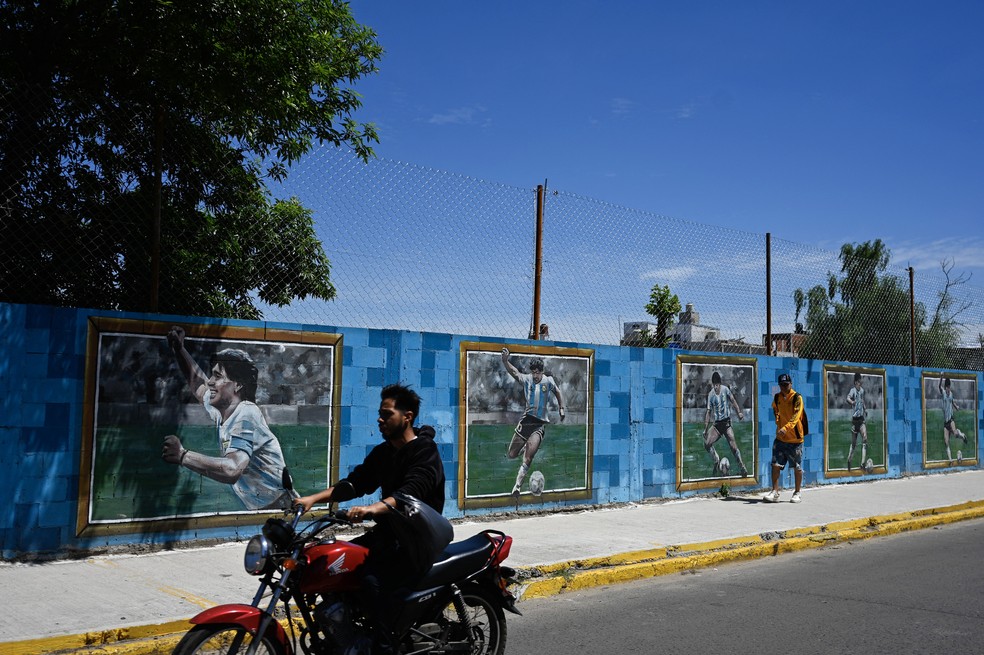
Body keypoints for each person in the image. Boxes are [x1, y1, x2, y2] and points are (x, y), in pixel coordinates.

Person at [294, 384, 445, 652]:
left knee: (371, 581)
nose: (380, 419)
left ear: (407, 417)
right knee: (337, 563)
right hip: (388, 536)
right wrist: (312, 500)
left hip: (415, 541)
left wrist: (372, 509)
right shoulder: (384, 452)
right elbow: (355, 483)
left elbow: (410, 492)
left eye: (386, 414)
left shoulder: (425, 451)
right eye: (380, 413)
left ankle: (384, 647)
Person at [161, 326, 295, 510]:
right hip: (264, 509)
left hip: (281, 509)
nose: (210, 381)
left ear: (238, 385)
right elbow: (198, 384)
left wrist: (184, 456)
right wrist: (180, 349)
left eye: (217, 376)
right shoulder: (223, 410)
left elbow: (233, 469)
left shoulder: (246, 413)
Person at [500, 347, 565, 498]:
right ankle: (523, 447)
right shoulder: (527, 379)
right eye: (533, 372)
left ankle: (517, 487)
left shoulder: (548, 381)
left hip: (539, 424)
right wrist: (505, 360)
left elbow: (558, 392)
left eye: (538, 372)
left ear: (542, 371)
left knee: (528, 458)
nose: (535, 375)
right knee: (511, 454)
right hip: (527, 420)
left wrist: (561, 408)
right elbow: (514, 372)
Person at [763, 373, 805, 504]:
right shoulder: (777, 397)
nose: (783, 387)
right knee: (775, 465)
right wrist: (778, 421)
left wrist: (785, 428)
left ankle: (797, 492)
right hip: (780, 439)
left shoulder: (797, 398)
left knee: (797, 467)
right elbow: (775, 409)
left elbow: (795, 417)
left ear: (791, 384)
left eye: (786, 384)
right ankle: (775, 492)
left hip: (795, 440)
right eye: (781, 385)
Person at [703, 371, 749, 477]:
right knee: (707, 443)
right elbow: (708, 412)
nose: (716, 387)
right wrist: (705, 429)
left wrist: (739, 413)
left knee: (733, 447)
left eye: (717, 385)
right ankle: (716, 460)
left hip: (726, 423)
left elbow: (733, 401)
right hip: (717, 425)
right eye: (714, 385)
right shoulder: (711, 395)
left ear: (719, 383)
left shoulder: (725, 389)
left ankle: (742, 467)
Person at [939, 376, 968, 463]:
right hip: (945, 423)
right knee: (946, 441)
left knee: (955, 434)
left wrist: (956, 407)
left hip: (951, 419)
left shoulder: (951, 394)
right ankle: (950, 460)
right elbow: (938, 386)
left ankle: (962, 435)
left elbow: (952, 401)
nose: (948, 389)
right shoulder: (943, 393)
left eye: (949, 387)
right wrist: (941, 377)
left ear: (950, 387)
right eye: (947, 387)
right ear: (945, 387)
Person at [845, 372, 868, 471]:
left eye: (861, 381)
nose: (861, 383)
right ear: (855, 382)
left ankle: (862, 464)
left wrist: (865, 409)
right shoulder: (853, 391)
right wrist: (852, 402)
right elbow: (847, 398)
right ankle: (849, 460)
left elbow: (862, 400)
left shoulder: (862, 391)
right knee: (854, 444)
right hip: (855, 421)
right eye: (859, 381)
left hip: (861, 420)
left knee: (865, 438)